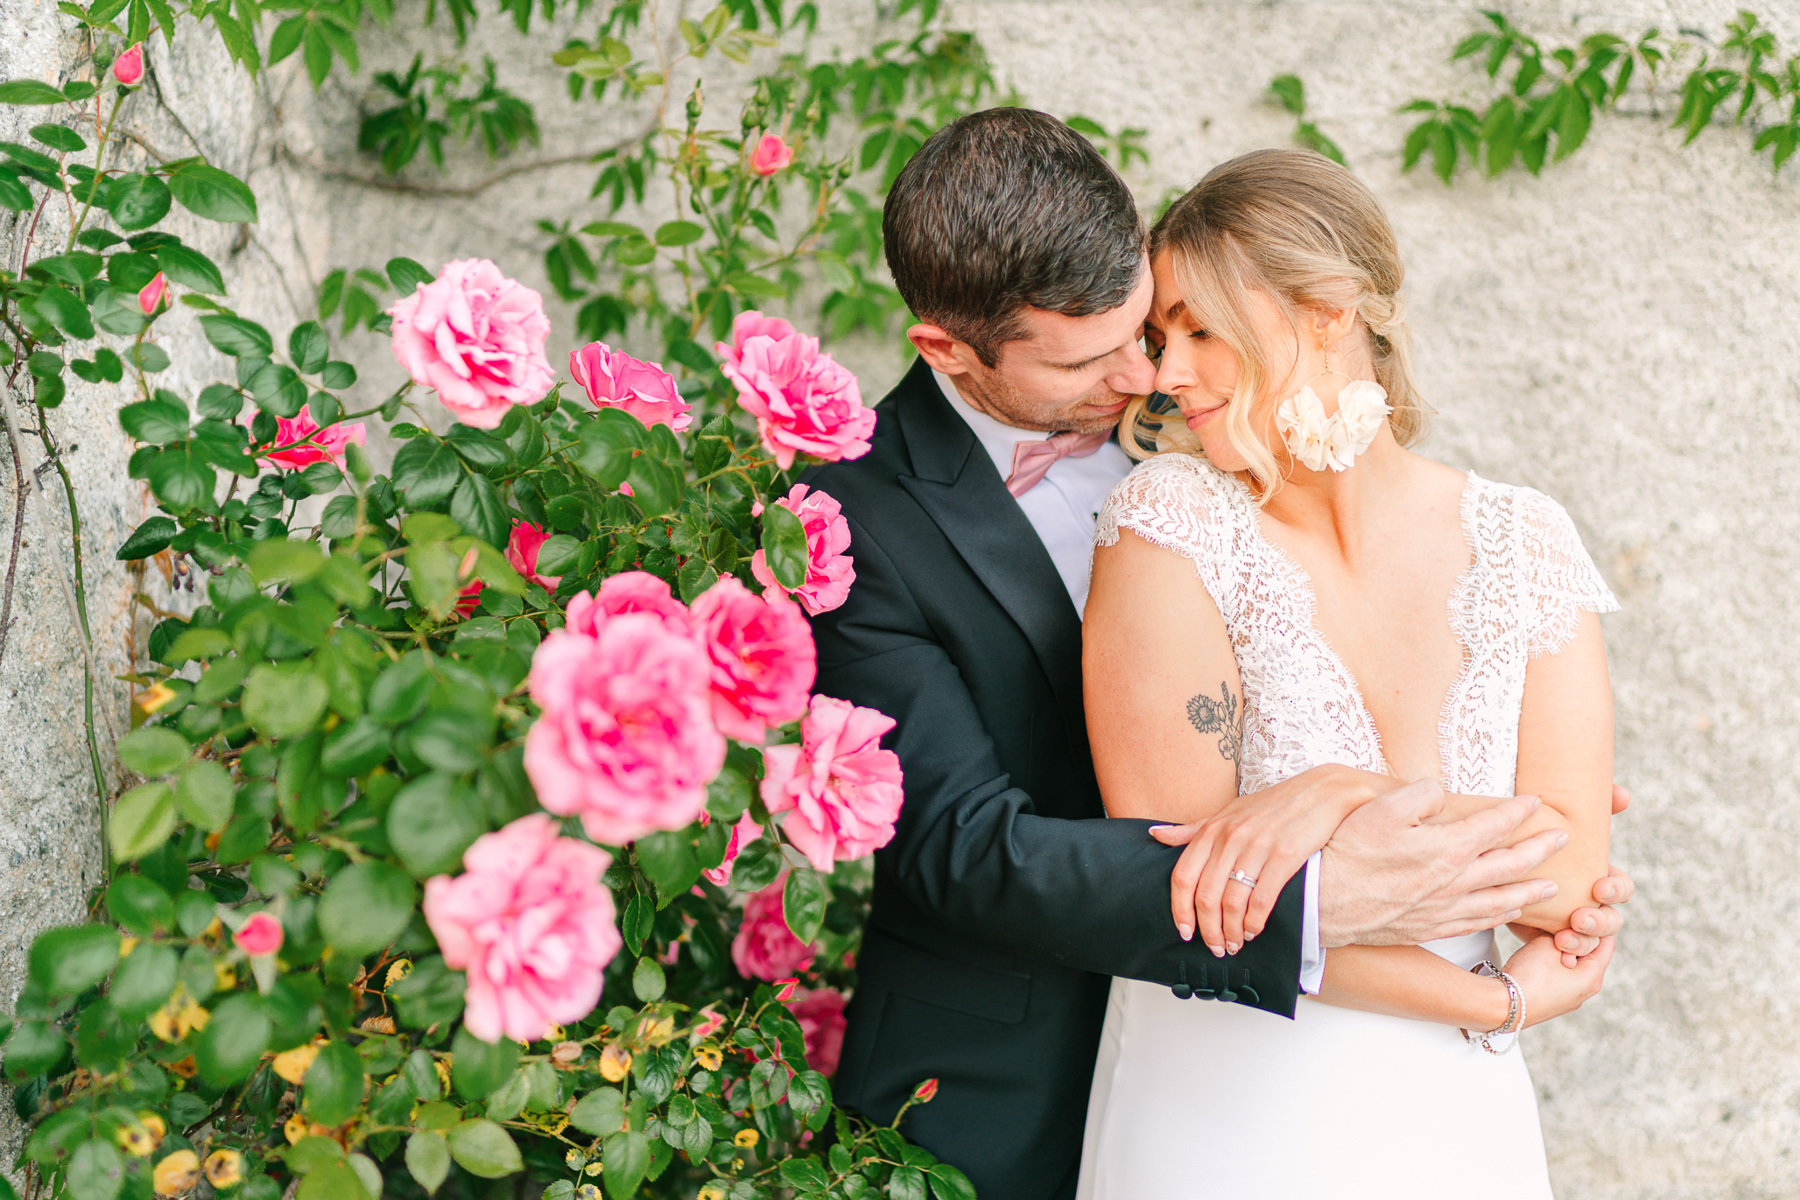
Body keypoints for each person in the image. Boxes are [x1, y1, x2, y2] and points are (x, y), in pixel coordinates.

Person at [800, 109, 1632, 1200]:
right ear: (949, 349)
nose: (1149, 379)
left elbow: (1553, 863)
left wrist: (1444, 813)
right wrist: (1347, 839)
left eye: (1154, 328)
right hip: (1028, 1069)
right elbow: (964, 851)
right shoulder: (860, 518)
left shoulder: (1237, 444)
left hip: (1409, 1079)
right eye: (1093, 359)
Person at [1076, 148, 1619, 1199]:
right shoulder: (1167, 524)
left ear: (1328, 310)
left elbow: (1561, 881)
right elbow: (1187, 899)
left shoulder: (1525, 541)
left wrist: (1318, 813)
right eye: (1157, 337)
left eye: (1197, 327)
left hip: (1452, 1120)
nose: (1162, 373)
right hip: (1227, 1098)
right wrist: (1489, 1003)